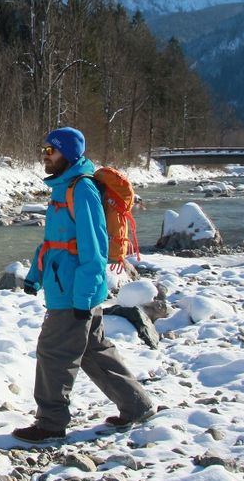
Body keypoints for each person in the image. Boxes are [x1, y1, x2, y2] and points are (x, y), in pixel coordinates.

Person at [13, 127, 154, 443]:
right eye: (44, 150)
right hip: (68, 287)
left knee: (52, 353)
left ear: (68, 154)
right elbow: (52, 244)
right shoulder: (62, 188)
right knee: (92, 350)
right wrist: (35, 276)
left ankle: (50, 423)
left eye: (51, 150)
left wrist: (83, 299)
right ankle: (137, 406)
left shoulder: (83, 190)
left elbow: (94, 249)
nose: (45, 156)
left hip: (75, 292)